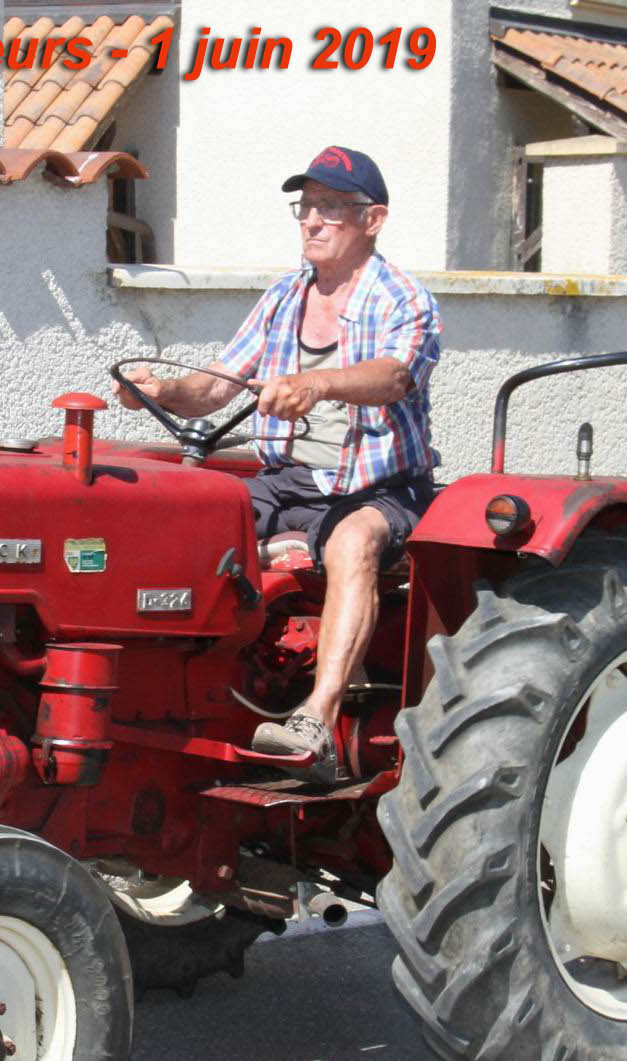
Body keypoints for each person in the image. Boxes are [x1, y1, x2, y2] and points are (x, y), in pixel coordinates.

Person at [117, 145, 442, 783]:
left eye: (331, 207)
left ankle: (315, 720)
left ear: (372, 220)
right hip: (286, 482)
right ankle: (168, 698)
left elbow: (395, 376)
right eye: (306, 206)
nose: (312, 220)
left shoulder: (403, 299)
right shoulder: (284, 297)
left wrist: (317, 384)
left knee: (352, 542)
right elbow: (218, 386)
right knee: (186, 520)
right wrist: (162, 390)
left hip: (376, 488)